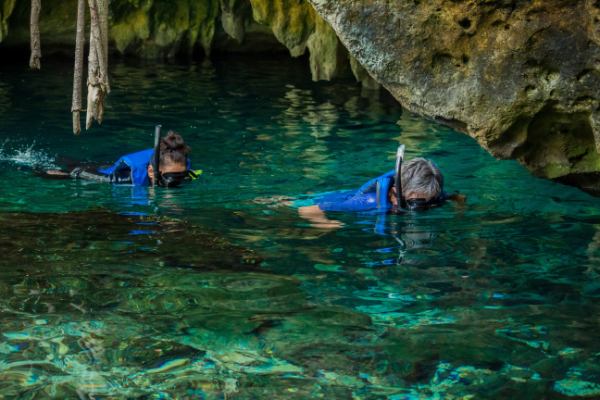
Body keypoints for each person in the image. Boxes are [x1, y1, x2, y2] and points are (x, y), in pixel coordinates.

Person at [297, 156, 449, 228]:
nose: (425, 207)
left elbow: (450, 197)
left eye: (430, 201)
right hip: (317, 201)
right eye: (416, 204)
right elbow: (307, 210)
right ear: (395, 192)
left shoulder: (428, 193)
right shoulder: (368, 203)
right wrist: (328, 224)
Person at [43, 130, 200, 187]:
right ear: (152, 172)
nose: (178, 182)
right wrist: (72, 174)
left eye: (182, 176)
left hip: (126, 166)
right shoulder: (129, 177)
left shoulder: (179, 164)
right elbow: (98, 178)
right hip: (108, 173)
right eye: (173, 178)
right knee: (71, 169)